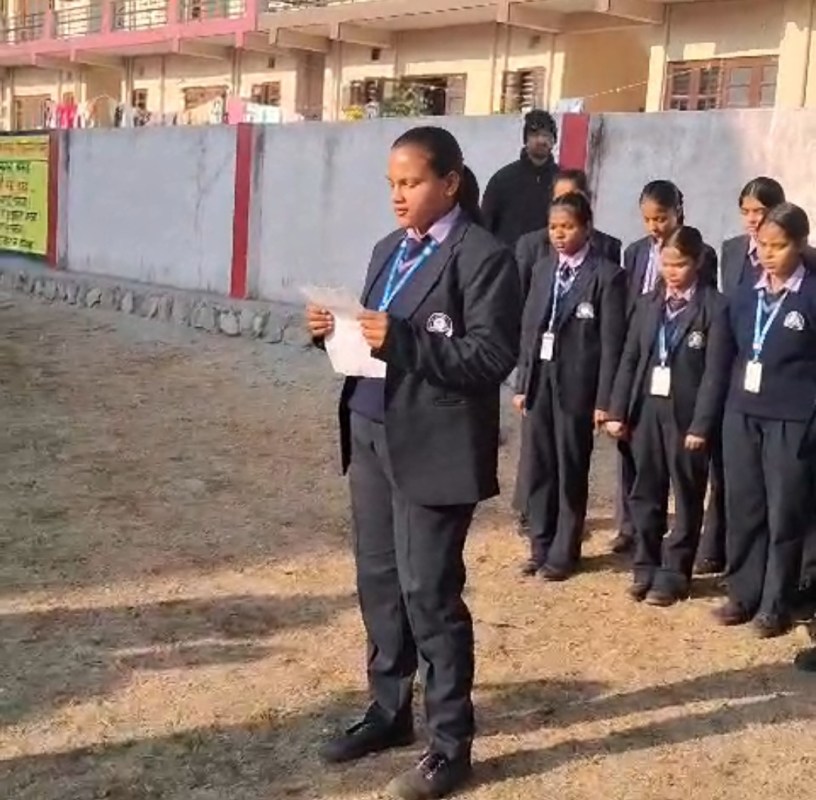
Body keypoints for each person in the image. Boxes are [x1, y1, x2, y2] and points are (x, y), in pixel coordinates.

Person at [305, 125, 521, 800]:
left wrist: (400, 340)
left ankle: (450, 744)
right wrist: (332, 334)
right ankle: (388, 708)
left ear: (449, 183)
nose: (399, 196)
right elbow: (372, 343)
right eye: (392, 185)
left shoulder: (483, 257)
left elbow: (488, 359)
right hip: (371, 430)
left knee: (430, 593)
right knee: (380, 583)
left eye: (412, 183)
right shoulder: (387, 250)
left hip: (435, 448)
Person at [606, 226, 732, 606]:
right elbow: (630, 358)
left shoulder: (715, 307)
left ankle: (675, 572)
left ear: (696, 263)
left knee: (688, 494)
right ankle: (644, 564)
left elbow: (716, 372)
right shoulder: (647, 304)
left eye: (680, 264)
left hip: (687, 417)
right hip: (647, 412)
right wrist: (617, 410)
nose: (672, 271)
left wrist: (702, 424)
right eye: (666, 263)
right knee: (645, 491)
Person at [715, 203, 816, 638]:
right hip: (743, 415)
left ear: (800, 244)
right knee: (745, 506)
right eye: (763, 245)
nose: (769, 254)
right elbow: (730, 354)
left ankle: (776, 603)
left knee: (785, 512)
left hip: (792, 419)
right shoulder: (745, 294)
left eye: (779, 246)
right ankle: (744, 591)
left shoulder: (811, 296)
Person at [513, 192, 626, 581]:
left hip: (578, 388)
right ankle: (540, 544)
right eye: (554, 227)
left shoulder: (606, 276)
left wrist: (605, 400)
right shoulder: (544, 270)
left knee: (570, 466)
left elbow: (612, 344)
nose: (560, 235)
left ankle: (565, 550)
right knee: (540, 464)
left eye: (568, 227)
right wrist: (521, 381)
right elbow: (530, 328)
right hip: (541, 382)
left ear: (587, 228)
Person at [614, 181, 719, 556]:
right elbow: (629, 343)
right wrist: (618, 405)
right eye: (648, 219)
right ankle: (640, 549)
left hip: (683, 382)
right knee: (642, 476)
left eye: (662, 217)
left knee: (685, 483)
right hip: (647, 377)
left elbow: (710, 350)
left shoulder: (704, 265)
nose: (655, 226)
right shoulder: (637, 260)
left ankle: (677, 565)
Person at [696, 177, 788, 577]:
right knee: (725, 464)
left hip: (776, 374)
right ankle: (715, 544)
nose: (753, 219)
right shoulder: (732, 251)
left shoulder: (802, 258)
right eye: (746, 211)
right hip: (734, 365)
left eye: (760, 211)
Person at [515, 168, 623, 301]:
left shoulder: (607, 246)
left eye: (572, 199)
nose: (565, 206)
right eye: (559, 199)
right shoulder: (531, 245)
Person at [481, 109, 559, 247]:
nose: (541, 140)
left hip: (549, 262)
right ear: (526, 139)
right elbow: (485, 227)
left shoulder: (563, 181)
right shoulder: (503, 179)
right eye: (535, 134)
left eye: (546, 135)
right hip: (509, 262)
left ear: (553, 141)